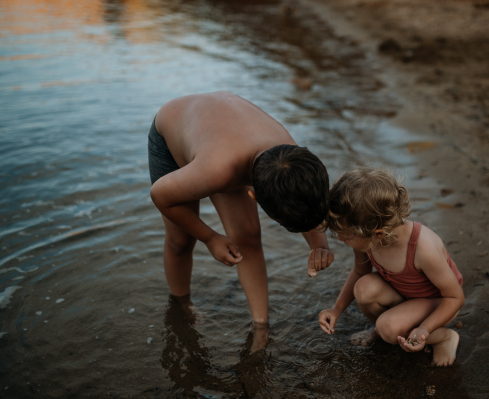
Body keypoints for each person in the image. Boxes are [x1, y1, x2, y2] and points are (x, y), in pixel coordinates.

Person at [148, 92, 334, 336]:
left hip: (224, 138)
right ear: (253, 195)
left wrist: (319, 244)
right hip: (173, 133)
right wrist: (210, 237)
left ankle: (260, 328)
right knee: (181, 240)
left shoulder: (293, 159)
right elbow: (160, 196)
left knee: (246, 235)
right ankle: (181, 305)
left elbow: (307, 201)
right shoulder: (217, 171)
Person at [318, 167, 464, 366]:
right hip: (406, 296)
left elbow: (455, 297)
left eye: (346, 235)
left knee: (389, 327)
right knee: (363, 287)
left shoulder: (423, 249)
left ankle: (443, 337)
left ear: (378, 233)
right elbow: (360, 272)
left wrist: (425, 328)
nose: (341, 239)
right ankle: (389, 329)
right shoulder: (367, 239)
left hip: (439, 303)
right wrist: (336, 309)